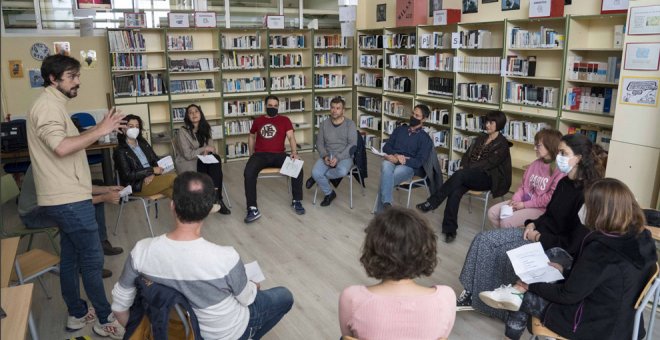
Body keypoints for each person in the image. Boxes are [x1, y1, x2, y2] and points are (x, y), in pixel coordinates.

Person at [111, 171, 294, 340]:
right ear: (208, 210)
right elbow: (246, 298)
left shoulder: (141, 251)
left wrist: (152, 333)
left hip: (180, 331)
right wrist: (253, 286)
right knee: (284, 296)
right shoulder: (226, 258)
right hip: (226, 332)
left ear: (172, 206)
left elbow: (119, 309)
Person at [481, 178, 657, 340]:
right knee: (542, 278)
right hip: (626, 322)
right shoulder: (642, 238)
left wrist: (530, 285)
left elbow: (567, 296)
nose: (583, 210)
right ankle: (514, 293)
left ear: (600, 212)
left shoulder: (601, 251)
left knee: (524, 296)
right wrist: (565, 270)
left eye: (588, 206)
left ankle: (513, 300)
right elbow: (604, 279)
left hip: (595, 327)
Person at [26, 54, 125, 338]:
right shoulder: (46, 107)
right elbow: (61, 148)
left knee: (70, 259)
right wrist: (100, 129)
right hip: (68, 203)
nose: (77, 81)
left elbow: (67, 167)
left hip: (67, 197)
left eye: (77, 75)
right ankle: (105, 320)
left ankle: (77, 314)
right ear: (53, 79)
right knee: (92, 261)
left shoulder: (54, 105)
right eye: (71, 76)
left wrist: (102, 189)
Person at [455, 133, 605, 320]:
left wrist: (538, 237)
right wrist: (532, 223)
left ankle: (498, 307)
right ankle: (471, 291)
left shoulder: (589, 194)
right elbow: (550, 214)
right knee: (483, 238)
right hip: (538, 233)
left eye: (564, 153)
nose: (558, 157)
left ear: (579, 158)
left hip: (553, 245)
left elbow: (572, 243)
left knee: (502, 252)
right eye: (559, 152)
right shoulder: (565, 182)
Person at [339, 207, 456, 340]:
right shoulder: (446, 297)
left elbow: (347, 336)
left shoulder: (352, 298)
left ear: (372, 249)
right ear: (426, 248)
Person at [417, 110, 511, 243]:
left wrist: (465, 170)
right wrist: (463, 165)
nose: (487, 125)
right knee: (455, 191)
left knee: (460, 175)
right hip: (469, 175)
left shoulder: (502, 144)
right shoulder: (481, 137)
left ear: (499, 124)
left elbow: (488, 164)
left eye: (491, 123)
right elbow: (467, 154)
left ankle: (433, 201)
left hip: (487, 178)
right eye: (487, 122)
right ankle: (450, 230)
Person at [18, 166, 123, 277]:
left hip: (45, 205)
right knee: (75, 217)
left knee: (93, 201)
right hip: (33, 215)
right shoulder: (46, 167)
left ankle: (101, 243)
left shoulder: (55, 160)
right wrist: (103, 197)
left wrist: (107, 189)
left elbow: (78, 188)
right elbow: (70, 201)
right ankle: (85, 266)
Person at [243, 95, 304, 223]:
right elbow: (251, 136)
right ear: (265, 106)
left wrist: (294, 152)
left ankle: (296, 200)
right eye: (270, 106)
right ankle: (252, 208)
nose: (273, 108)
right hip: (260, 155)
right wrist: (251, 154)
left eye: (275, 106)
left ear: (278, 107)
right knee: (248, 172)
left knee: (297, 166)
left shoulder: (284, 120)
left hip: (279, 155)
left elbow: (291, 137)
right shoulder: (258, 121)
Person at [487, 128, 564, 228]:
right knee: (492, 213)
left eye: (538, 145)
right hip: (523, 202)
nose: (535, 148)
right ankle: (508, 238)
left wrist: (524, 205)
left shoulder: (559, 170)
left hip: (541, 209)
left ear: (550, 146)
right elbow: (523, 187)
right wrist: (515, 200)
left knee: (506, 222)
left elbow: (549, 199)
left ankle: (508, 238)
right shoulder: (534, 164)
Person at [374, 104, 433, 213]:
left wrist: (403, 160)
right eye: (412, 113)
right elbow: (387, 146)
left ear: (424, 119)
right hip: (392, 160)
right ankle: (387, 203)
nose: (413, 117)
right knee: (386, 166)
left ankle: (380, 214)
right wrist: (396, 156)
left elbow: (419, 162)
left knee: (385, 178)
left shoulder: (425, 139)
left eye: (417, 115)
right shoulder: (400, 130)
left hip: (408, 166)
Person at [174, 104, 230, 214]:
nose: (194, 114)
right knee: (216, 165)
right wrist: (204, 149)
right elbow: (188, 155)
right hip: (189, 162)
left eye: (196, 111)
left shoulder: (206, 128)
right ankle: (217, 199)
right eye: (191, 112)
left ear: (201, 114)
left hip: (204, 160)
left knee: (216, 158)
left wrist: (209, 150)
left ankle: (214, 199)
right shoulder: (183, 131)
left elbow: (212, 148)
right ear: (187, 116)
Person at [305, 97, 357, 206]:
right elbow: (319, 143)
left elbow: (352, 145)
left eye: (338, 108)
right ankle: (329, 193)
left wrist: (338, 158)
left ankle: (317, 178)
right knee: (315, 172)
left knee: (342, 171)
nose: (335, 110)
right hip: (328, 155)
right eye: (333, 107)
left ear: (343, 110)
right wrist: (324, 156)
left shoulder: (350, 124)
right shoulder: (324, 124)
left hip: (344, 156)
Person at [114, 114, 176, 199]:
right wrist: (151, 170)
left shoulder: (143, 143)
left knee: (174, 193)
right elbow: (127, 175)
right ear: (123, 129)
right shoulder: (120, 150)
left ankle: (190, 211)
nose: (134, 129)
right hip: (137, 185)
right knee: (173, 178)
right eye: (131, 126)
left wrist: (152, 174)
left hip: (153, 178)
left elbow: (156, 161)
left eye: (137, 126)